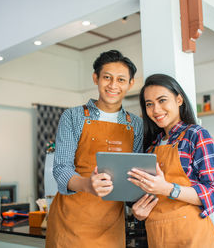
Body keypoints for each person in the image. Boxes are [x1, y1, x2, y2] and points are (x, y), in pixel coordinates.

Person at [45, 50, 143, 248]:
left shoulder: (136, 124)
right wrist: (87, 185)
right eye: (107, 77)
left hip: (111, 225)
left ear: (131, 83)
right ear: (95, 78)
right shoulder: (73, 117)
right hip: (71, 222)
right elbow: (61, 168)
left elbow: (135, 175)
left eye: (121, 79)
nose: (113, 85)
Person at [127, 73, 214, 248]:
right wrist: (140, 213)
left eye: (162, 100)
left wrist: (167, 188)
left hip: (193, 237)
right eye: (149, 104)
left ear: (179, 99)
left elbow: (213, 192)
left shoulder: (196, 135)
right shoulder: (150, 148)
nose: (155, 110)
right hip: (159, 238)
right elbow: (149, 198)